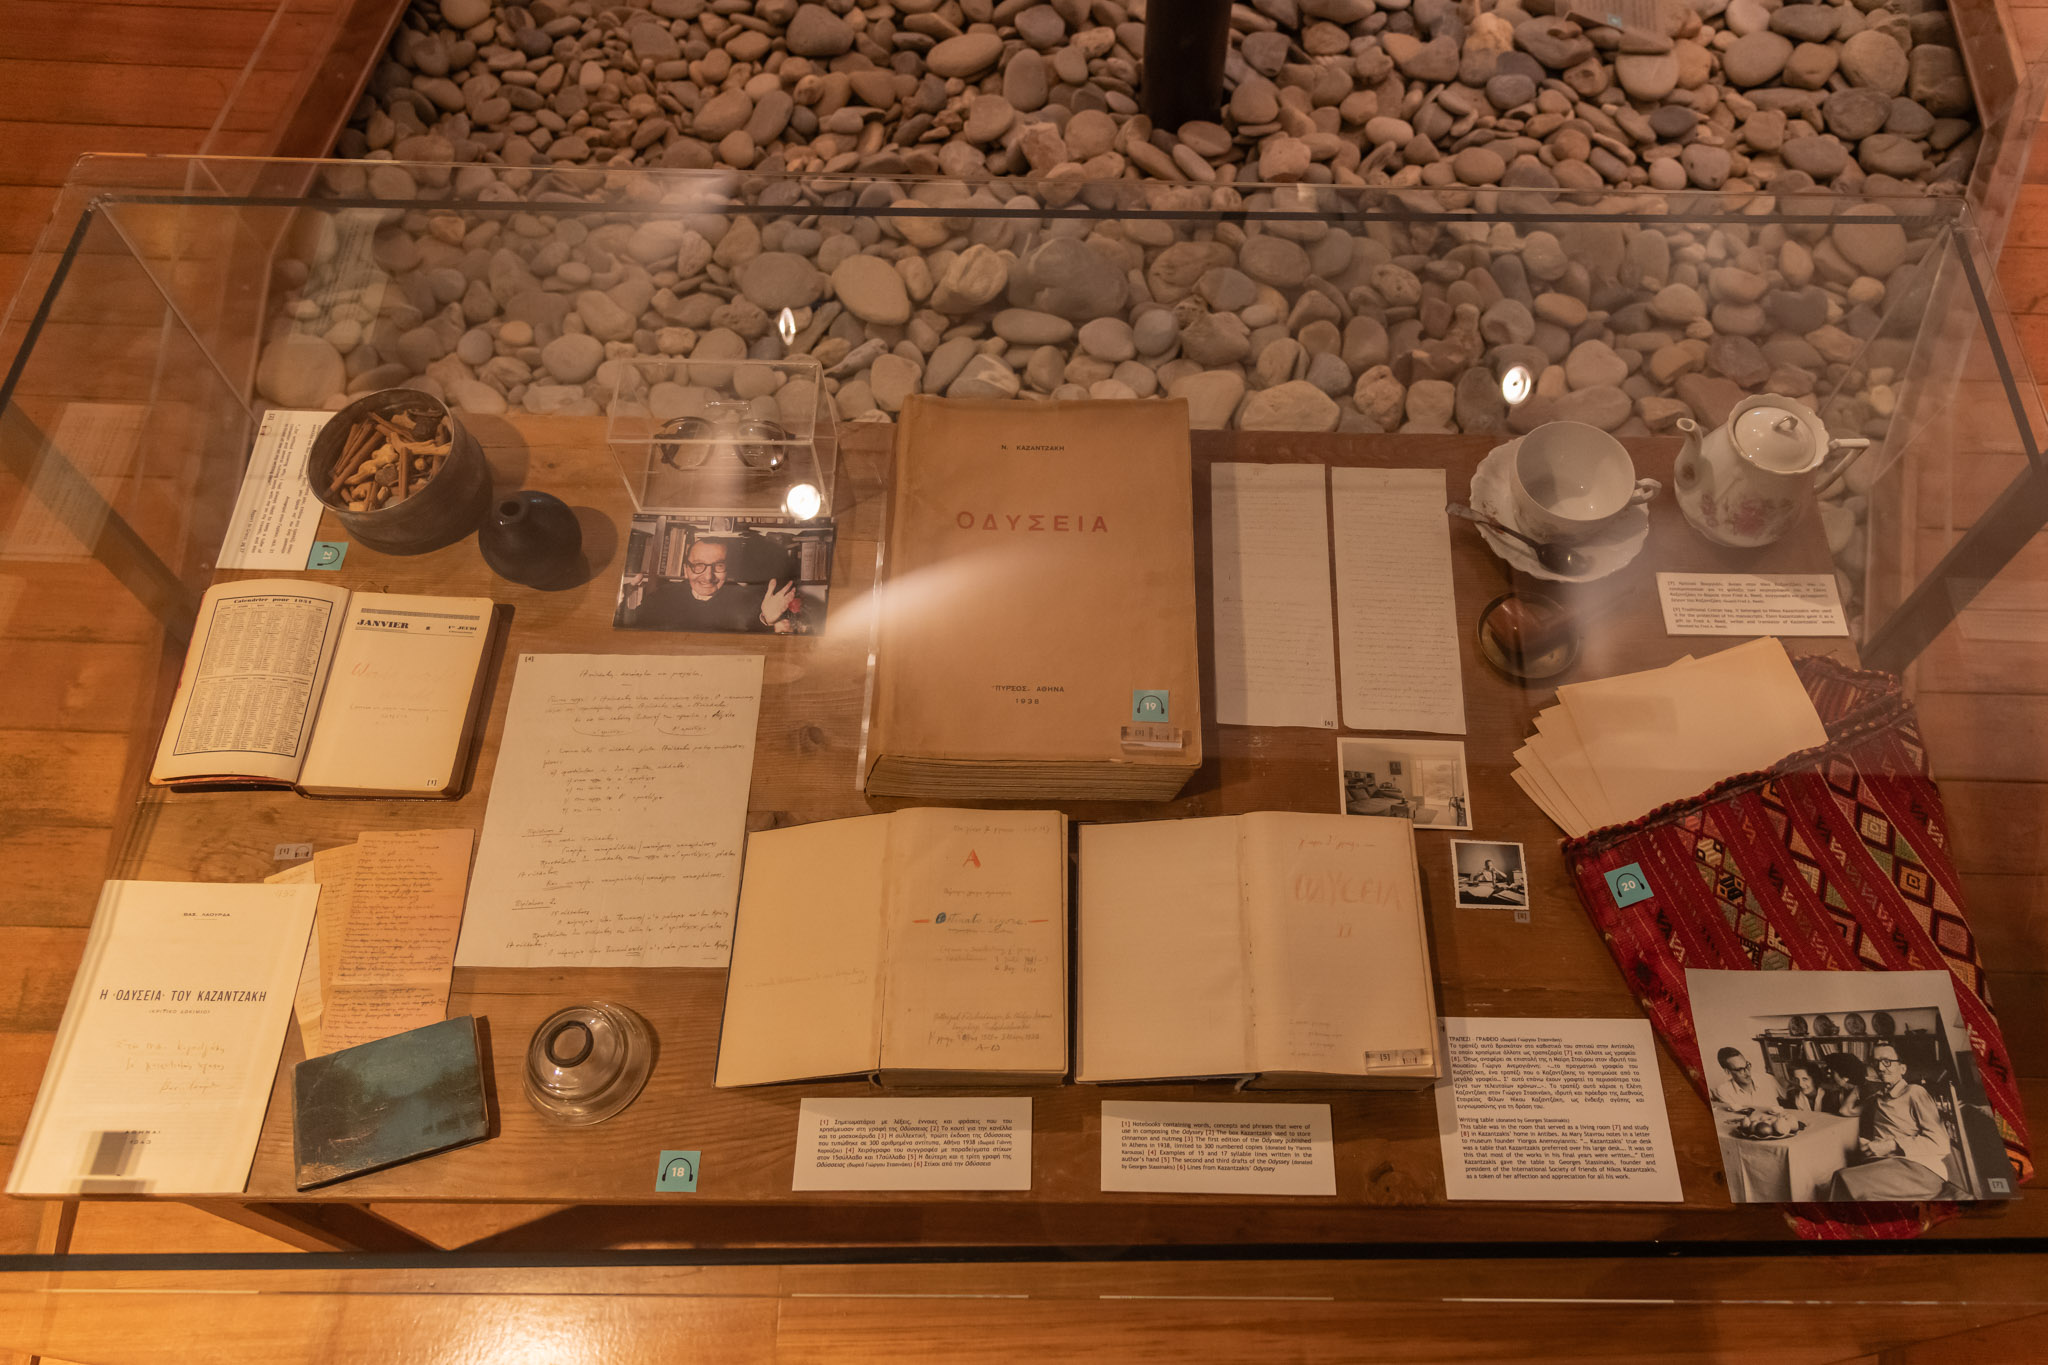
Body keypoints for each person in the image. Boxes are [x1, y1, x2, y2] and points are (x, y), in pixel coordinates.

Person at [1823, 1043, 1953, 1201]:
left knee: (1843, 1179)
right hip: (1887, 1164)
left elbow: (1940, 1143)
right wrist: (1859, 1086)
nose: (1880, 1068)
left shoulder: (1915, 1092)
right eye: (1876, 1062)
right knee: (1842, 1179)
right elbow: (1846, 1111)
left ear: (1902, 1068)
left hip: (1917, 1167)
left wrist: (1890, 1145)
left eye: (1887, 1061)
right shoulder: (1879, 1096)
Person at [633, 537, 796, 633]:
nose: (708, 576)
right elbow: (632, 627)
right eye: (698, 565)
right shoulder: (662, 597)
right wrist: (624, 598)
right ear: (686, 570)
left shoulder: (749, 600)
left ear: (728, 569)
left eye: (719, 566)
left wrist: (768, 621)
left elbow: (757, 639)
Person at [1710, 1046, 1782, 1116]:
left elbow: (1786, 1098)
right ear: (1728, 1072)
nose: (1747, 1072)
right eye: (1740, 1069)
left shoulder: (1768, 1079)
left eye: (1747, 1066)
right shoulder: (1723, 1091)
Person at [1822, 1053, 1867, 1117]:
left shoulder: (1862, 1092)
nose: (1830, 1075)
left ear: (1845, 1077)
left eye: (1833, 1072)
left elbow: (1844, 1111)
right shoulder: (1844, 1088)